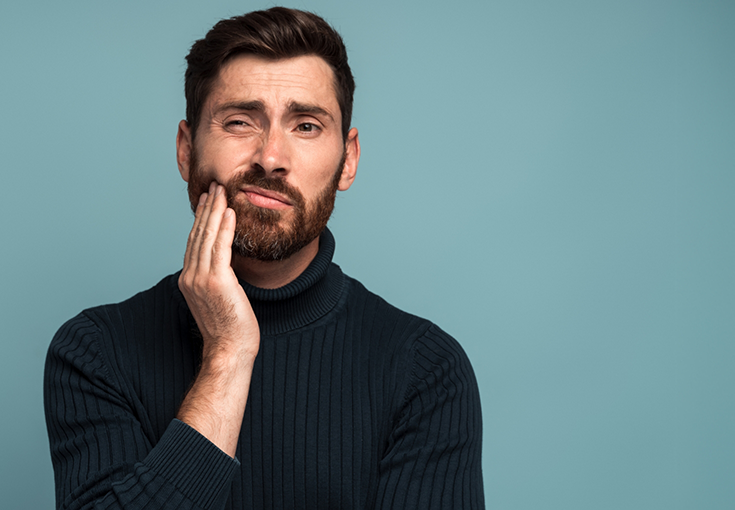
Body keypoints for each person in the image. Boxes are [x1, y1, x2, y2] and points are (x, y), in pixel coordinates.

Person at [43, 7, 483, 509]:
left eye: (307, 126)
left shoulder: (425, 370)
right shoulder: (96, 353)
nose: (271, 156)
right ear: (187, 149)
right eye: (238, 122)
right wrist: (228, 355)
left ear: (348, 159)